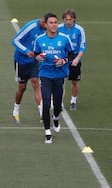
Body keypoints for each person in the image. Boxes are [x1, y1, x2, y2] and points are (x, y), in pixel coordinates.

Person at [33, 13, 74, 143]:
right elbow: (35, 54)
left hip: (59, 75)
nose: (54, 24)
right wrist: (38, 57)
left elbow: (72, 55)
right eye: (51, 22)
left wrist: (64, 61)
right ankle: (47, 132)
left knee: (57, 105)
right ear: (45, 25)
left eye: (56, 22)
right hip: (45, 74)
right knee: (45, 102)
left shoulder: (64, 38)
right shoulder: (40, 39)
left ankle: (55, 117)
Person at [11, 16, 46, 123]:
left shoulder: (47, 30)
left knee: (36, 83)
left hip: (34, 61)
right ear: (42, 21)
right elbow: (15, 40)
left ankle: (42, 114)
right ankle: (16, 110)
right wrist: (26, 51)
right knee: (22, 87)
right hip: (21, 60)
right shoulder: (31, 27)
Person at [58, 9, 87, 110]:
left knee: (75, 82)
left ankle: (73, 101)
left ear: (74, 19)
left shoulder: (79, 30)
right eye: (66, 20)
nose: (68, 22)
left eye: (70, 19)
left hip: (75, 59)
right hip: (62, 59)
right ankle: (59, 102)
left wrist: (77, 58)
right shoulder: (59, 28)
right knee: (61, 81)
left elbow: (83, 46)